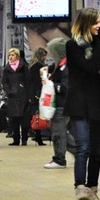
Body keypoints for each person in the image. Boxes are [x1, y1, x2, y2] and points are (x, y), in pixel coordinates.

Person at [63, 8, 100, 200]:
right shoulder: (73, 45)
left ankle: (93, 190)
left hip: (99, 102)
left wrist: (99, 43)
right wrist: (99, 43)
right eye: (96, 22)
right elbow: (90, 67)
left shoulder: (99, 45)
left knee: (96, 150)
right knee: (83, 147)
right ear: (86, 24)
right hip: (79, 102)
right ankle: (81, 190)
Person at [42, 37, 69, 169]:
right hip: (60, 104)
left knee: (58, 132)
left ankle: (59, 159)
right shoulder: (60, 65)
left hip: (61, 105)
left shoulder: (66, 67)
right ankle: (81, 153)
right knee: (64, 133)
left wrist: (50, 83)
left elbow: (65, 87)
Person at [2, 48, 31, 146]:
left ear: (17, 56)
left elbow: (28, 80)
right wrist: (8, 90)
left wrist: (26, 92)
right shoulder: (7, 69)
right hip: (12, 96)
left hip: (23, 95)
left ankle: (24, 139)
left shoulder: (23, 66)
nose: (10, 57)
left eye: (13, 55)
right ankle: (16, 139)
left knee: (24, 119)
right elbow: (5, 82)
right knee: (14, 119)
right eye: (9, 55)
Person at [28, 47, 48, 146]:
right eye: (44, 56)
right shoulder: (40, 67)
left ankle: (37, 135)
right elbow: (42, 81)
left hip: (33, 92)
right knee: (39, 114)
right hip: (39, 92)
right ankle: (39, 136)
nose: (45, 58)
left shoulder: (32, 66)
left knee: (35, 114)